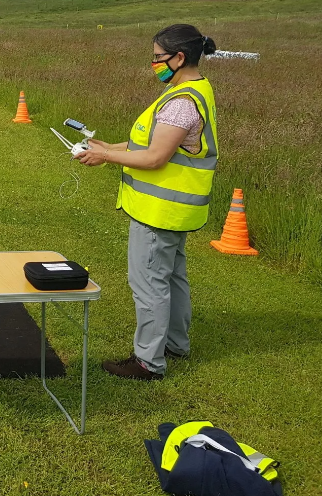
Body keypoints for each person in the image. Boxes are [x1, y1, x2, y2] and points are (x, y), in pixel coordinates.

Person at [75, 24, 218, 380]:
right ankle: (175, 343)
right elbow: (146, 145)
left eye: (158, 58)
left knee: (150, 282)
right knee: (172, 278)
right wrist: (106, 147)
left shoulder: (181, 103)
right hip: (176, 209)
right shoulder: (191, 90)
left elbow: (155, 158)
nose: (154, 64)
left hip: (159, 211)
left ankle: (148, 362)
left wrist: (106, 159)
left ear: (179, 57)